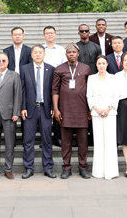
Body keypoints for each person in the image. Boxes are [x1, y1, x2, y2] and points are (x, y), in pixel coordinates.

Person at [52, 44, 93, 179]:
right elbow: (55, 90)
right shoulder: (59, 69)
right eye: (69, 52)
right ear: (66, 54)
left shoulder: (86, 68)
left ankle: (83, 167)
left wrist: (90, 108)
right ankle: (66, 168)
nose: (71, 54)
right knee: (66, 142)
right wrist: (56, 109)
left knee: (83, 142)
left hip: (82, 110)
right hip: (65, 111)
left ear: (78, 54)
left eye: (74, 52)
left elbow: (91, 89)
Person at [20, 45, 56, 179]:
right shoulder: (24, 69)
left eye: (40, 52)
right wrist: (23, 107)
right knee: (28, 141)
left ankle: (48, 168)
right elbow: (22, 90)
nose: (38, 55)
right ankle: (29, 168)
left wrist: (52, 107)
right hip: (30, 110)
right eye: (35, 52)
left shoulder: (51, 69)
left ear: (44, 55)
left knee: (47, 140)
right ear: (31, 55)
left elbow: (53, 90)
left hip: (45, 109)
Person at [0, 53, 23, 179]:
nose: (1, 62)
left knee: (9, 143)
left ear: (8, 62)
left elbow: (18, 94)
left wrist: (16, 112)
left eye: (3, 60)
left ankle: (8, 169)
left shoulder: (14, 75)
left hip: (9, 114)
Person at [87, 55, 119, 180]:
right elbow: (89, 95)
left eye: (103, 63)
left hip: (110, 112)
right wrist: (96, 108)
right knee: (99, 142)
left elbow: (116, 95)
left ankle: (110, 172)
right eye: (99, 63)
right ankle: (98, 171)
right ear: (96, 64)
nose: (101, 65)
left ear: (107, 64)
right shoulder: (91, 78)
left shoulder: (113, 78)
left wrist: (109, 108)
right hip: (96, 113)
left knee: (110, 142)